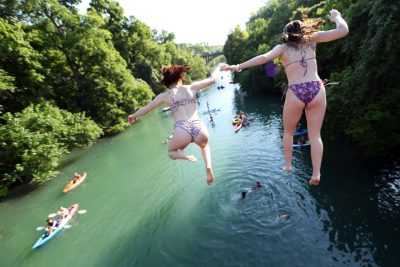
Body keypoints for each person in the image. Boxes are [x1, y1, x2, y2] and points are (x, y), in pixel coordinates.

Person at [221, 9, 348, 186]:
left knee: (288, 132)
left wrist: (237, 66)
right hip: (316, 88)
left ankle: (288, 165)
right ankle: (316, 173)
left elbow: (264, 58)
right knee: (315, 135)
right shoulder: (312, 39)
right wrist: (337, 17)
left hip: (296, 91)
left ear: (286, 34)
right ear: (304, 31)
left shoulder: (282, 48)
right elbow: (343, 31)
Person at [128, 64, 217, 185]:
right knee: (204, 146)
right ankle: (208, 166)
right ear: (180, 77)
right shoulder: (191, 87)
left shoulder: (164, 96)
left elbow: (147, 109)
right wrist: (220, 67)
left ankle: (184, 156)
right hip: (198, 125)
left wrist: (133, 115)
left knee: (171, 152)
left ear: (167, 82)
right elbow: (212, 79)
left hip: (182, 127)